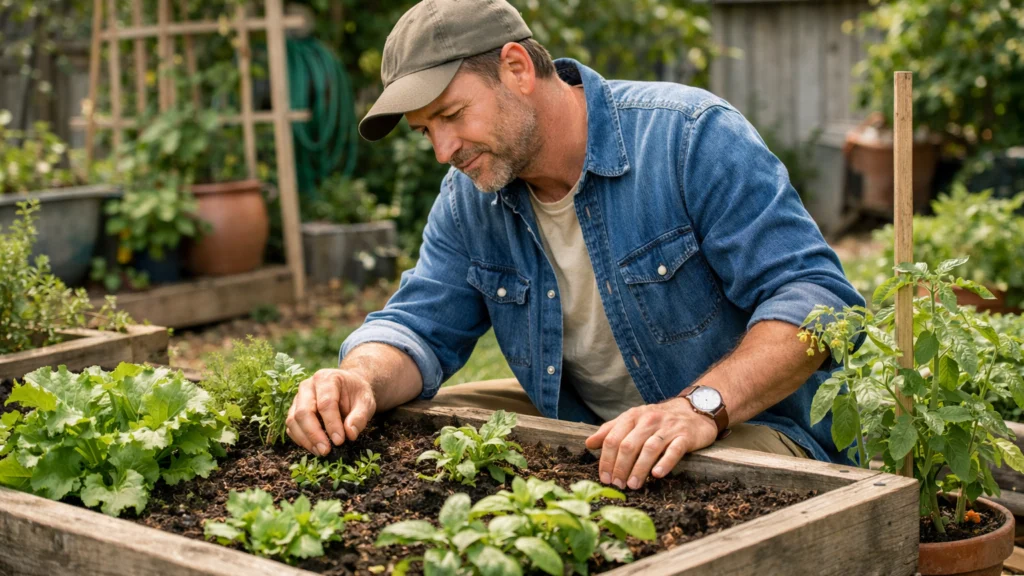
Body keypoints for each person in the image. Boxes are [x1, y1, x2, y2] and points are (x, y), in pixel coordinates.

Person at [286, 0, 863, 491]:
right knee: (412, 430)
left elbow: (817, 300)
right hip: (585, 422)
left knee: (670, 485)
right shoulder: (470, 199)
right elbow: (418, 323)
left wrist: (698, 407)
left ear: (516, 68)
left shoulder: (688, 136)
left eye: (452, 115)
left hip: (751, 422)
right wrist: (358, 378)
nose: (443, 150)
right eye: (425, 131)